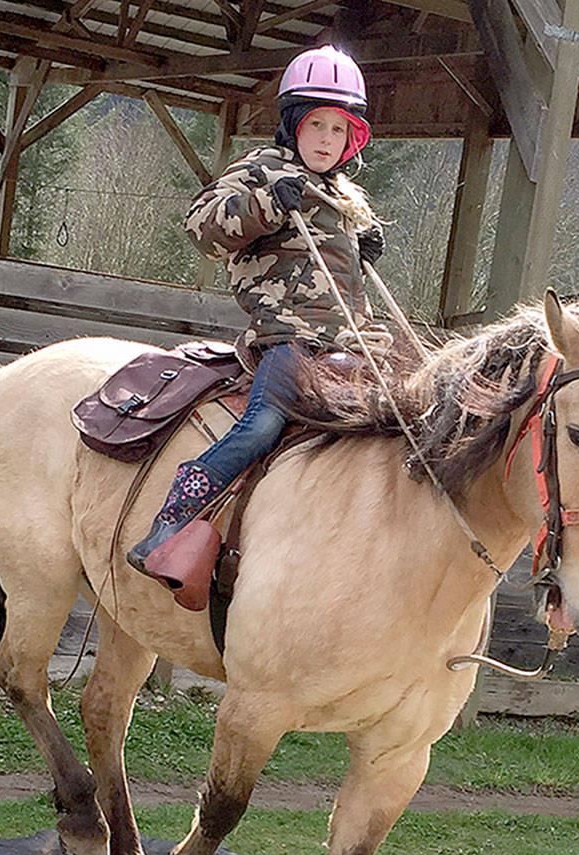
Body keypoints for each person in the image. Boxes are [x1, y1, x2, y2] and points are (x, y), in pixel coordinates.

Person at [127, 44, 386, 577]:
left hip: (349, 343)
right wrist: (267, 204)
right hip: (288, 338)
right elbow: (201, 228)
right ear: (293, 124)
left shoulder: (346, 196)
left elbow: (337, 283)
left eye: (339, 130)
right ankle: (172, 517)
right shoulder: (262, 169)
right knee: (262, 426)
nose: (327, 139)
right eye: (317, 125)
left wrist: (362, 252)